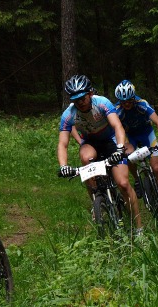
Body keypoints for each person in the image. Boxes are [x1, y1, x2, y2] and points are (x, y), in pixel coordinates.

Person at [58, 74, 143, 233]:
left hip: (111, 141)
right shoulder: (68, 114)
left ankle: (139, 228)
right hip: (91, 142)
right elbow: (63, 143)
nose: (80, 102)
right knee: (85, 156)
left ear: (90, 93)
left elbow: (117, 126)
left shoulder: (102, 102)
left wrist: (119, 148)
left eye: (82, 98)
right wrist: (63, 166)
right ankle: (97, 199)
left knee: (123, 184)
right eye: (76, 99)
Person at [114, 80, 158, 218]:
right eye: (123, 102)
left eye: (129, 101)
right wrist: (125, 144)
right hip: (130, 136)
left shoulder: (142, 104)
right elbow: (117, 130)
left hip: (147, 134)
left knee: (157, 168)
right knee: (127, 156)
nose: (127, 104)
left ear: (133, 98)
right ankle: (137, 179)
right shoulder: (117, 110)